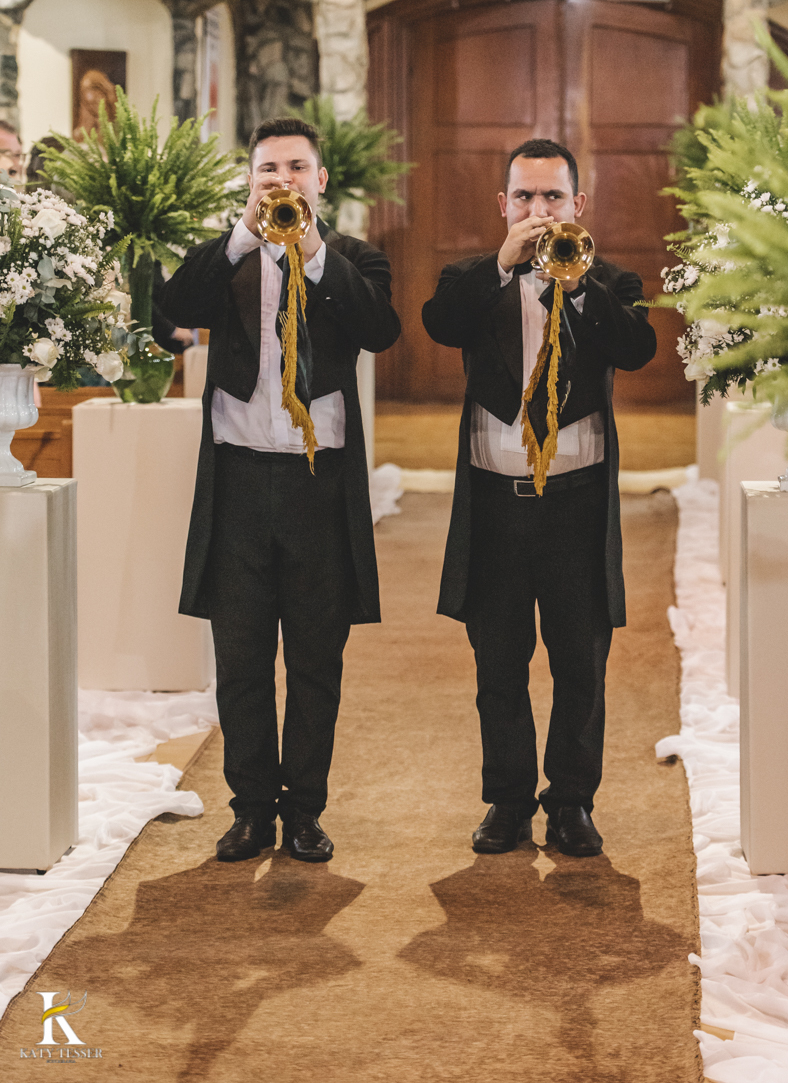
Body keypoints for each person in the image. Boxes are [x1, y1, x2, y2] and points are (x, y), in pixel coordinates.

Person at [162, 117, 400, 863]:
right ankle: (249, 808)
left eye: (297, 167)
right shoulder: (223, 259)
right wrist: (243, 233)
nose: (283, 180)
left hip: (315, 483)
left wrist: (312, 252)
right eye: (269, 168)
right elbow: (176, 307)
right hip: (236, 481)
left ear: (320, 179)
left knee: (313, 660)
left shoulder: (354, 258)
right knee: (238, 660)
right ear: (249, 178)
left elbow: (379, 328)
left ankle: (305, 810)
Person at [422, 139, 656, 858]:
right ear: (502, 205)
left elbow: (637, 349)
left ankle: (572, 802)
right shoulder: (471, 278)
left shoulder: (610, 282)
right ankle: (507, 801)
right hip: (495, 501)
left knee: (579, 662)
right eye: (523, 197)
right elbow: (440, 324)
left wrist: (577, 284)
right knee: (498, 660)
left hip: (575, 501)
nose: (537, 210)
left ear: (578, 206)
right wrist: (501, 263)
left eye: (552, 197)